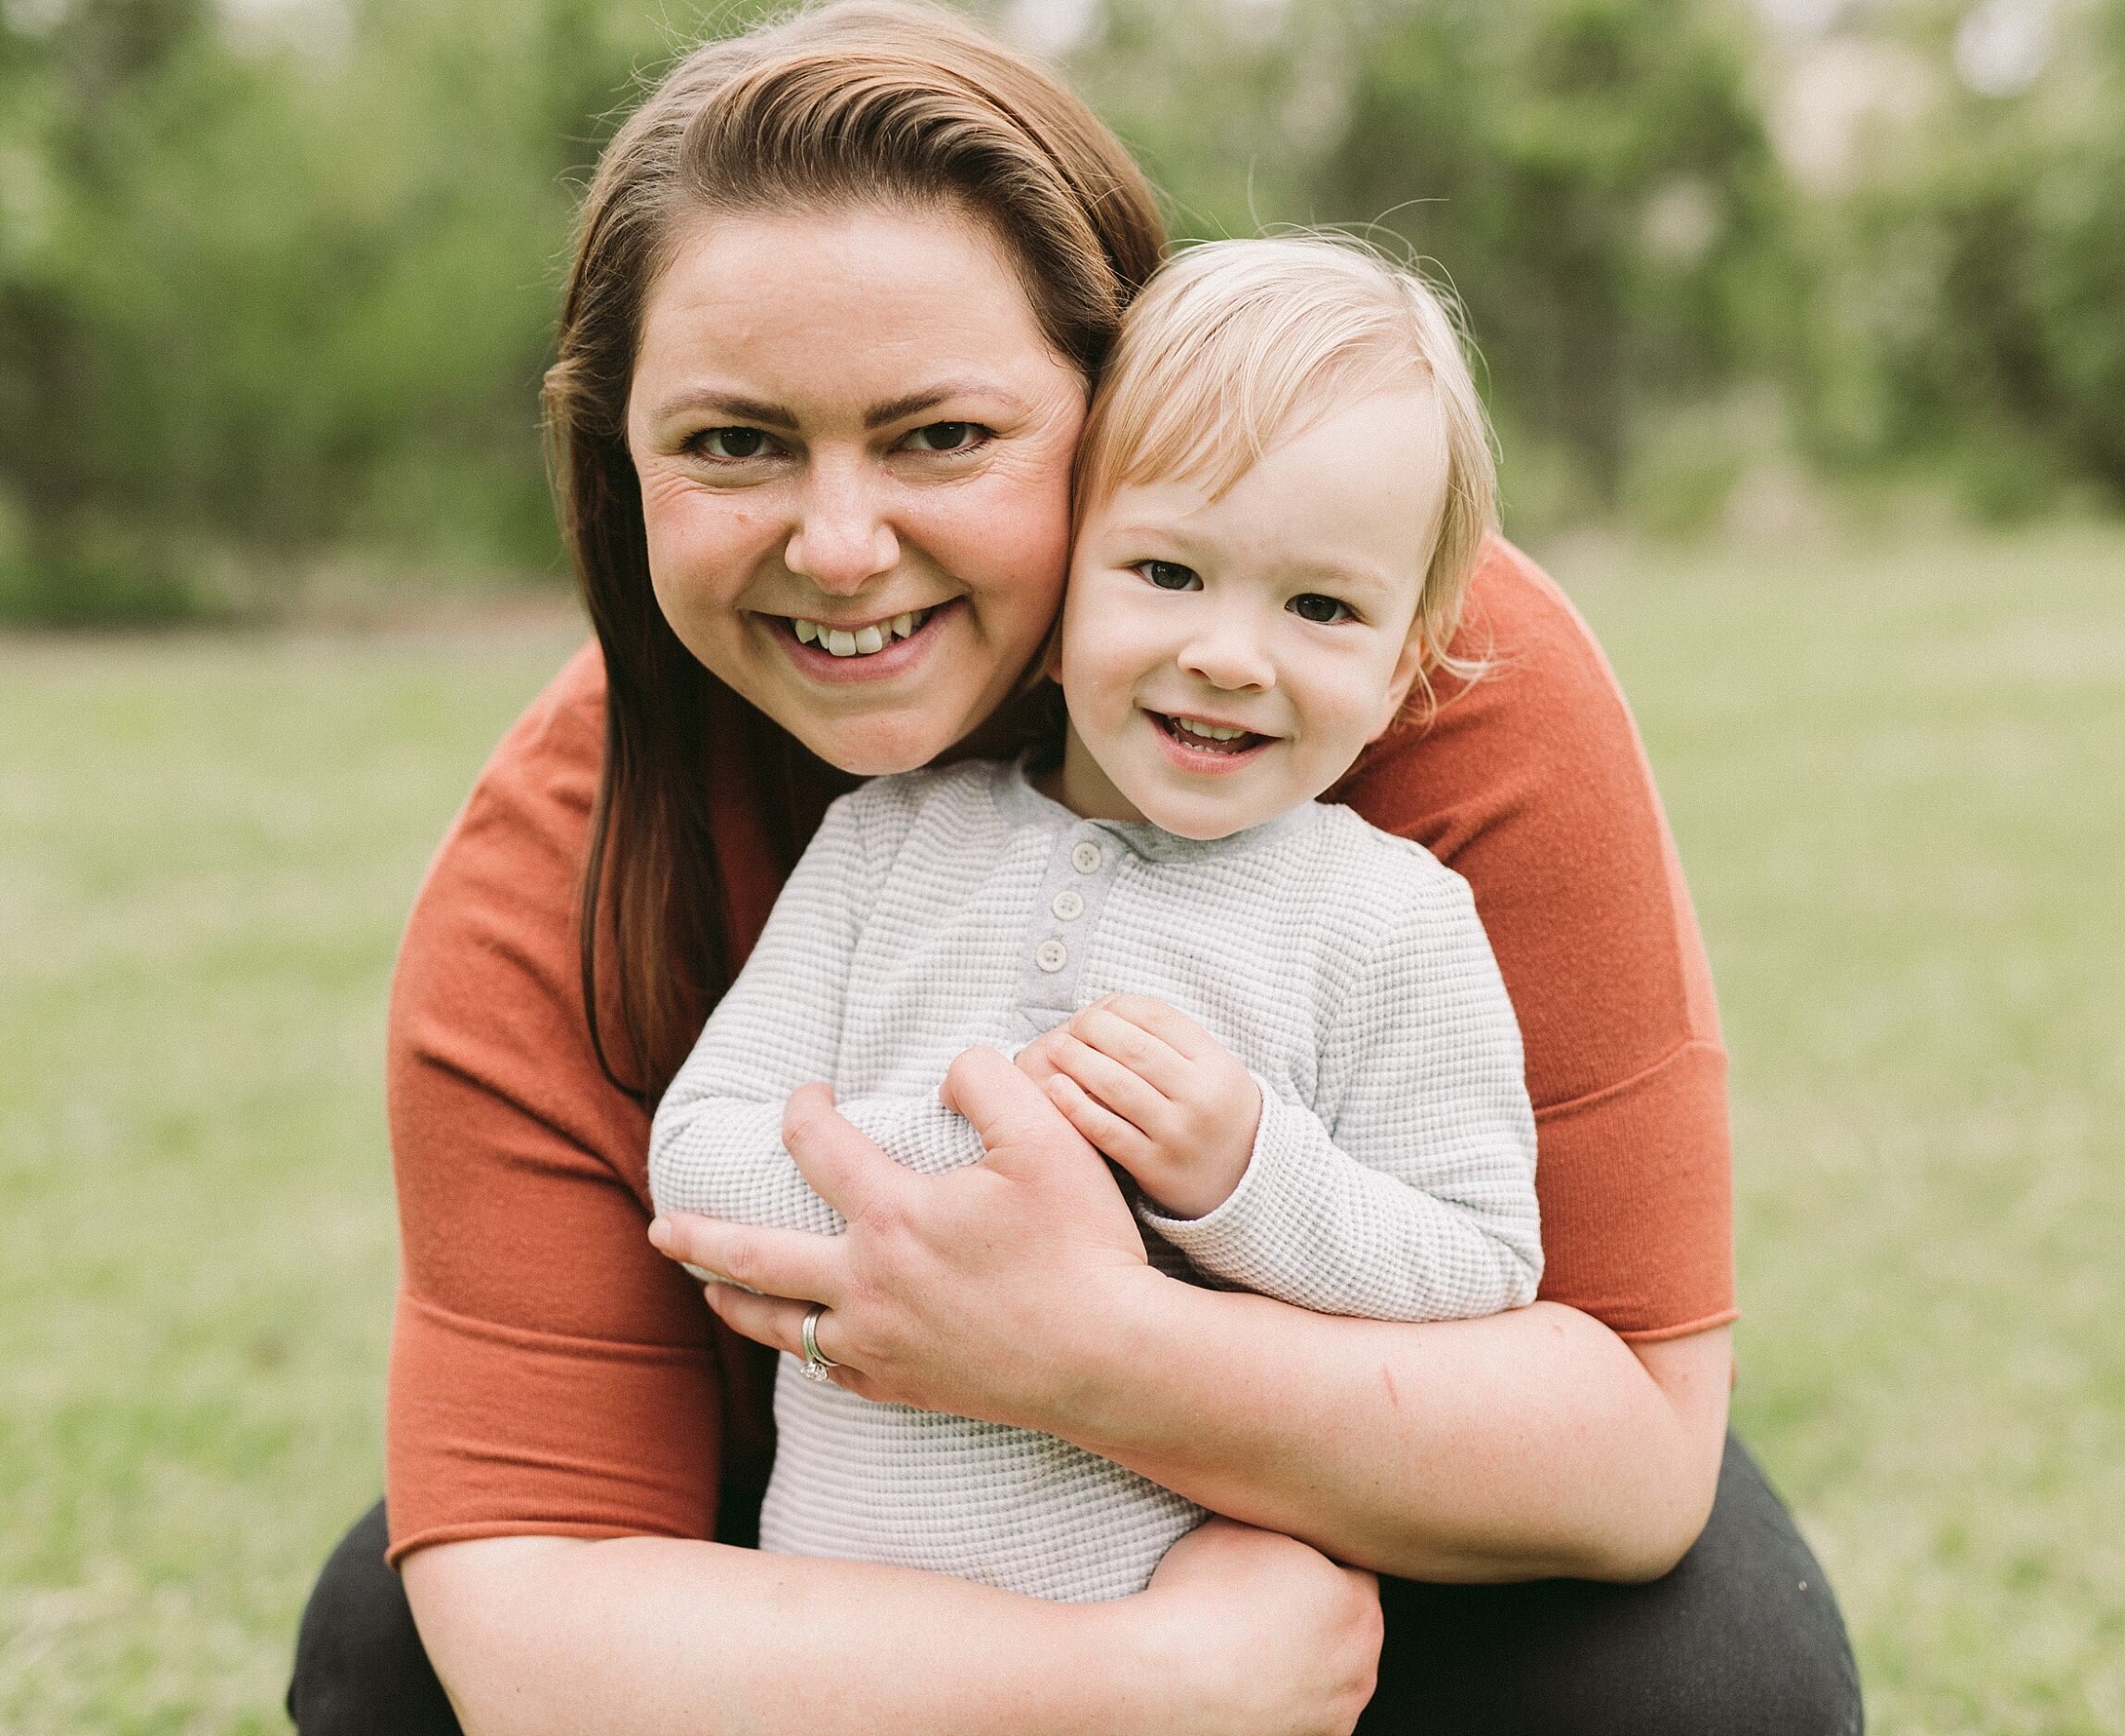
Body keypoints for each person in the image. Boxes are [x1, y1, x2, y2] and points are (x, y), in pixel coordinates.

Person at [287, 5, 1864, 1732]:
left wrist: (1095, 1345)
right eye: (734, 441)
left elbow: (1627, 1453)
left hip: (1307, 1530)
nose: (837, 547)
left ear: (1115, 407)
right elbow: (526, 1606)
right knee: (389, 1651)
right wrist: (1131, 1689)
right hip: (858, 1541)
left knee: (1708, 1678)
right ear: (624, 463)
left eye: (941, 436)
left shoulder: (1419, 681)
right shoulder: (570, 846)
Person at [647, 237, 1546, 1605]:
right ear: (1059, 597)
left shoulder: (1386, 922)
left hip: (1181, 1647)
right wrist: (952, 1183)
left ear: (1403, 664)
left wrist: (1246, 1175)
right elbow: (699, 1158)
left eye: (1319, 605)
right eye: (1168, 575)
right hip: (848, 1630)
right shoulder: (890, 843)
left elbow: (1479, 1265)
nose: (1229, 654)